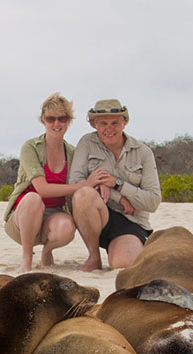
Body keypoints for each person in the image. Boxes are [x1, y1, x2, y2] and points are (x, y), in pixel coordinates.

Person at [4, 93, 110, 272]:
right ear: (43, 120)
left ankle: (47, 251)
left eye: (62, 118)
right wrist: (84, 185)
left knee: (66, 228)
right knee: (33, 198)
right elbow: (42, 189)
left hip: (53, 215)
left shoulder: (73, 153)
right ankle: (27, 258)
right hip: (22, 217)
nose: (56, 123)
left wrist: (103, 182)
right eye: (51, 118)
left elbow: (91, 174)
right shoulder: (30, 148)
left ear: (69, 121)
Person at [69, 98, 161, 271]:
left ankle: (131, 247)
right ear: (94, 124)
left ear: (124, 122)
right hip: (97, 215)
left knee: (124, 266)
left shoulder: (143, 152)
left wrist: (117, 184)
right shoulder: (86, 143)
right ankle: (94, 257)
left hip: (131, 221)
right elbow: (75, 183)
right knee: (83, 194)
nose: (109, 128)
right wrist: (114, 195)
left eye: (115, 122)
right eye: (103, 123)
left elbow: (153, 202)